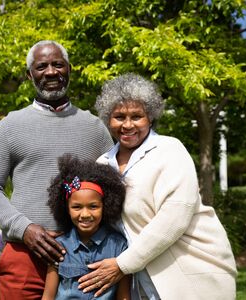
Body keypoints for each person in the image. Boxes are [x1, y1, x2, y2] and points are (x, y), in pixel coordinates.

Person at [77, 73, 237, 300]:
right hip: (139, 280)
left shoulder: (170, 150)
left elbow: (174, 217)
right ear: (108, 120)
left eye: (137, 116)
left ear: (150, 118)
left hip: (192, 272)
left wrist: (122, 264)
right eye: (119, 117)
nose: (128, 125)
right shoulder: (102, 164)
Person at [0, 40, 114, 299]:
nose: (51, 72)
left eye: (57, 64)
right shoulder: (10, 126)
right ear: (30, 74)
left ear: (69, 70)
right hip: (23, 257)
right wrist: (24, 228)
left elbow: (113, 187)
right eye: (41, 66)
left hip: (82, 258)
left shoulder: (95, 128)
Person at [42, 154, 130, 300]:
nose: (85, 214)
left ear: (106, 206)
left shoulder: (119, 246)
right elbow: (48, 296)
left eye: (93, 206)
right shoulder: (59, 247)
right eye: (77, 207)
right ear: (66, 208)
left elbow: (124, 296)